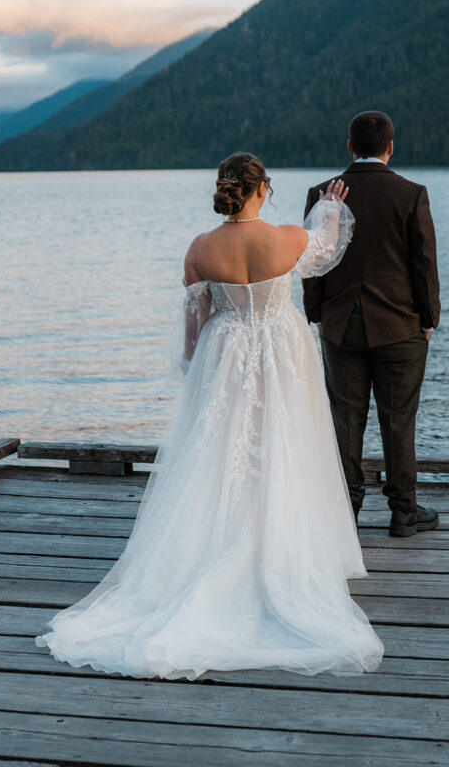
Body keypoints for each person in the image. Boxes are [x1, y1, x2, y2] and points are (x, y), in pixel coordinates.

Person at [35, 152, 384, 680]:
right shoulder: (288, 237)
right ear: (262, 188)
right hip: (279, 350)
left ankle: (213, 541)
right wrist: (329, 210)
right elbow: (326, 250)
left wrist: (197, 366)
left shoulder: (200, 248)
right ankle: (278, 544)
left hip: (226, 355)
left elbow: (196, 322)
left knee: (219, 449)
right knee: (284, 441)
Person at [303, 111, 441, 537]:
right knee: (399, 419)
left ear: (349, 146)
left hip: (340, 325)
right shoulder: (411, 193)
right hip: (401, 326)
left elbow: (312, 262)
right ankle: (403, 511)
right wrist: (428, 318)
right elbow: (423, 263)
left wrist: (317, 314)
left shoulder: (322, 194)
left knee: (345, 421)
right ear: (391, 147)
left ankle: (346, 512)